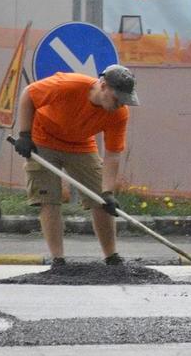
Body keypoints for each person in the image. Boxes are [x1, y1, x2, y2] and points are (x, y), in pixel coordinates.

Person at [12, 65, 140, 267]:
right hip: (43, 139)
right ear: (103, 86)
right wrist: (24, 135)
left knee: (100, 199)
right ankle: (58, 260)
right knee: (49, 199)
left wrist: (107, 192)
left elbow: (113, 155)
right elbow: (29, 94)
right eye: (117, 99)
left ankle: (112, 257)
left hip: (81, 145)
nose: (120, 105)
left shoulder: (119, 114)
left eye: (124, 101)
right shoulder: (69, 85)